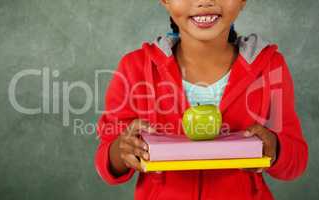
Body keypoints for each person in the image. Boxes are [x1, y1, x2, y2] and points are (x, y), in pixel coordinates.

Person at [95, 0, 308, 199]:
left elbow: (296, 160)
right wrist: (121, 150)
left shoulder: (270, 67)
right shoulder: (135, 68)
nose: (205, 1)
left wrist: (276, 148)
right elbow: (106, 159)